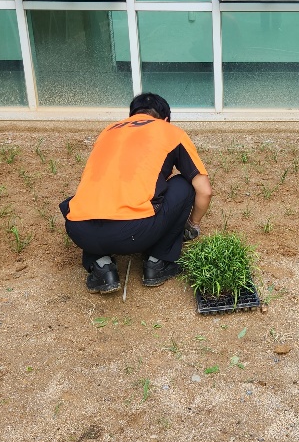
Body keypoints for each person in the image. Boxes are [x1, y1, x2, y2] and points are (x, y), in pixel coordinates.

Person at [59, 93, 212, 293]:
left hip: (80, 230)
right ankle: (158, 262)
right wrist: (192, 225)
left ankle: (102, 266)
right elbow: (205, 191)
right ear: (165, 119)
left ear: (132, 116)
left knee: (82, 201)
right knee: (184, 184)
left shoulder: (108, 131)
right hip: (133, 234)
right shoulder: (170, 131)